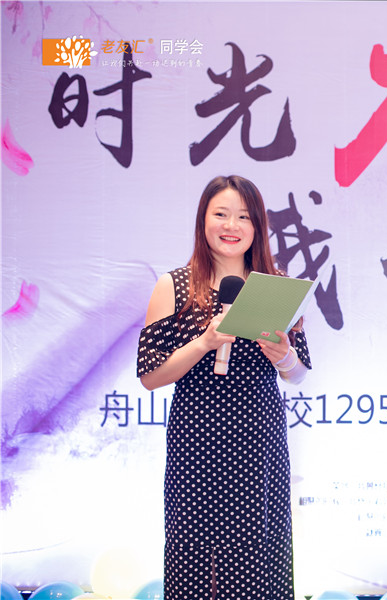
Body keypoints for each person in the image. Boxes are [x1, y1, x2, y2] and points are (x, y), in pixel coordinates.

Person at [137, 175, 310, 600]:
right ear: (204, 220)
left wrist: (283, 354)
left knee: (258, 554)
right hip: (197, 443)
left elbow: (299, 372)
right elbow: (150, 375)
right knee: (195, 551)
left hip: (258, 441)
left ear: (257, 227)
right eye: (221, 214)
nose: (231, 225)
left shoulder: (274, 285)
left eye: (243, 217)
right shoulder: (175, 285)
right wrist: (204, 342)